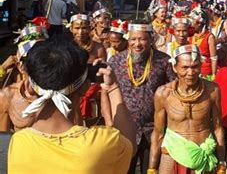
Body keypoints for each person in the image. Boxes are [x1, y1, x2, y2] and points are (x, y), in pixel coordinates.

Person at [8, 37, 136, 173]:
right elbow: (129, 144)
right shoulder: (101, 145)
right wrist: (112, 87)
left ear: (29, 87)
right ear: (85, 87)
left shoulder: (19, 142)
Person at [109, 20, 176, 174]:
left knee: (150, 169)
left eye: (142, 39)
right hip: (124, 129)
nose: (137, 44)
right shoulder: (116, 61)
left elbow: (173, 91)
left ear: (151, 39)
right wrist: (109, 121)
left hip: (153, 130)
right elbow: (106, 92)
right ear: (128, 39)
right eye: (133, 39)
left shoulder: (163, 61)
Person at [148, 45, 226, 174]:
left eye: (195, 67)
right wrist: (152, 167)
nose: (190, 73)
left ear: (201, 66)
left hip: (202, 156)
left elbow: (217, 128)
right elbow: (158, 132)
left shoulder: (212, 90)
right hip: (172, 155)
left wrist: (222, 162)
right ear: (175, 68)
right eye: (185, 67)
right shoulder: (163, 93)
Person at [190, 7, 218, 79]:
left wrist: (214, 75)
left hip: (205, 73)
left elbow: (213, 58)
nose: (190, 24)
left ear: (199, 23)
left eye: (192, 21)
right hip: (192, 70)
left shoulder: (209, 37)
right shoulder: (190, 35)